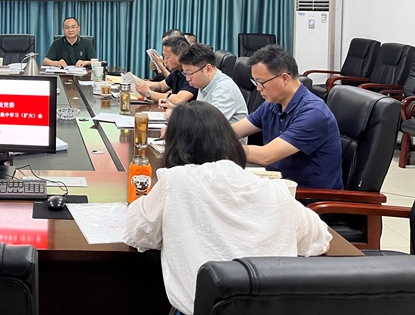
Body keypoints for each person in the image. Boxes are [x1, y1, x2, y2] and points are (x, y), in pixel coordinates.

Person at [124, 101, 331, 315]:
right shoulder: (274, 189)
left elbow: (139, 232)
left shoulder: (176, 181)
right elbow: (319, 239)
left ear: (175, 145)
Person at [231, 44, 343, 189]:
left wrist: (221, 148)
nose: (258, 88)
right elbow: (234, 131)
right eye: (255, 82)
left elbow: (266, 156)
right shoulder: (272, 104)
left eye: (261, 83)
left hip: (308, 197)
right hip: (279, 184)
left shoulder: (313, 114)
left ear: (284, 78)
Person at [178, 44, 247, 124]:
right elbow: (199, 116)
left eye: (190, 73)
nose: (187, 78)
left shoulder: (224, 89)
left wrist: (178, 117)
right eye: (185, 74)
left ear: (208, 69)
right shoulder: (204, 83)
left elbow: (208, 124)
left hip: (222, 135)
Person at [135, 36, 197, 107]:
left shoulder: (192, 73)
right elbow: (161, 86)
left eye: (167, 57)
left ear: (180, 56)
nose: (164, 61)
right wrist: (140, 84)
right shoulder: (177, 71)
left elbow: (178, 99)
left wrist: (148, 93)